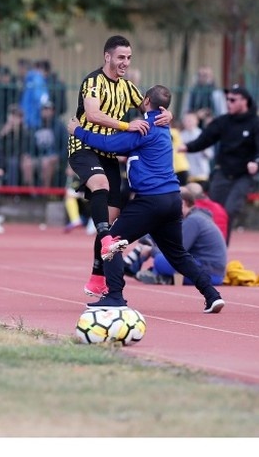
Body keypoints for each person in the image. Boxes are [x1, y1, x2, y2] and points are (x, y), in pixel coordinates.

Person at [67, 85, 225, 314]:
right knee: (178, 254)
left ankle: (115, 296)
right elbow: (128, 148)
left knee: (110, 242)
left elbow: (110, 145)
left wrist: (78, 131)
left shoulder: (144, 127)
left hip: (151, 200)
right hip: (172, 200)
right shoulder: (164, 126)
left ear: (147, 100)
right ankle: (212, 295)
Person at [69, 35, 172, 299]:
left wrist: (166, 114)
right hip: (84, 147)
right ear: (107, 57)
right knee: (101, 186)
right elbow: (92, 114)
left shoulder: (127, 87)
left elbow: (149, 106)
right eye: (120, 57)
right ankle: (105, 240)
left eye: (128, 58)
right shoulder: (93, 82)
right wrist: (127, 125)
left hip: (108, 153)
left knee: (111, 218)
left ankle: (96, 277)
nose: (125, 62)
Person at [178, 84, 259, 244]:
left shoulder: (257, 123)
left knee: (229, 210)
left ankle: (221, 249)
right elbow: (206, 138)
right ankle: (205, 248)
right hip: (222, 173)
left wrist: (256, 163)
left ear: (244, 101)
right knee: (211, 211)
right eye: (227, 99)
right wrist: (188, 147)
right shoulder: (224, 121)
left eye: (233, 100)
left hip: (243, 175)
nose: (228, 102)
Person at [126, 185, 228, 287]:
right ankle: (161, 276)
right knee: (160, 254)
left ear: (182, 203)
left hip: (209, 273)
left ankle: (154, 273)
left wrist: (152, 251)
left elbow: (178, 251)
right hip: (211, 270)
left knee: (160, 260)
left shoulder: (194, 220)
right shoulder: (196, 217)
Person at [179, 112, 212, 189]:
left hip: (201, 174)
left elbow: (210, 154)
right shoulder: (181, 136)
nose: (188, 123)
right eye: (186, 120)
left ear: (196, 121)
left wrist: (202, 148)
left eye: (190, 120)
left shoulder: (202, 134)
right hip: (187, 173)